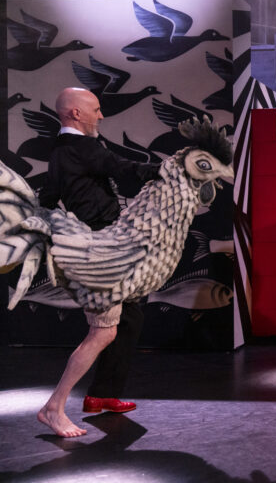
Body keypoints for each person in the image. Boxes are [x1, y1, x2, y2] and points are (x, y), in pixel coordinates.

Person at [36, 87, 158, 437]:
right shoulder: (82, 147)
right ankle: (53, 408)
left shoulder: (60, 151)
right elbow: (126, 169)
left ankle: (102, 394)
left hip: (103, 245)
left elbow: (48, 198)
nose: (101, 116)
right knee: (103, 331)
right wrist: (174, 170)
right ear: (76, 113)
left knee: (129, 317)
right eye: (96, 109)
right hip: (102, 250)